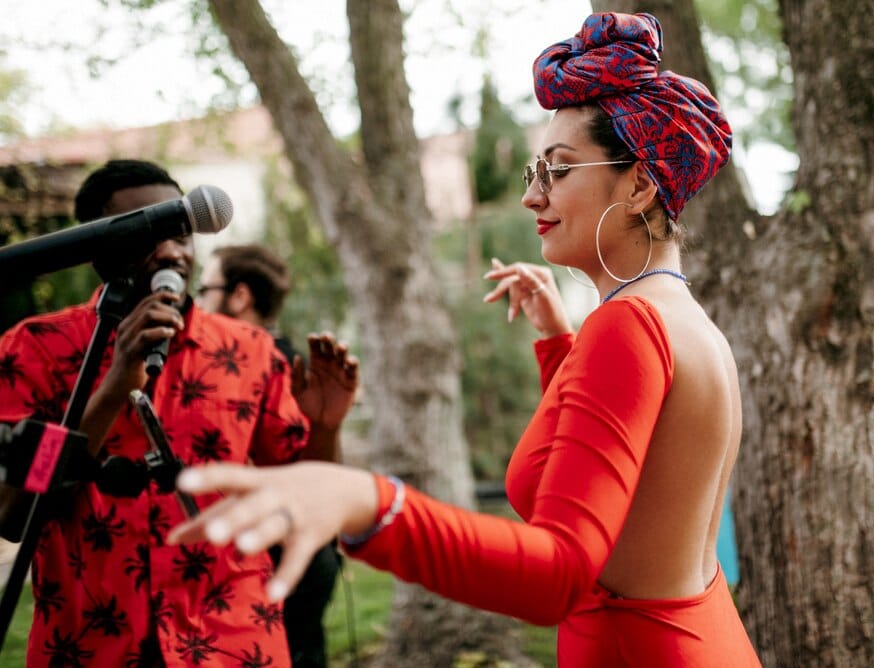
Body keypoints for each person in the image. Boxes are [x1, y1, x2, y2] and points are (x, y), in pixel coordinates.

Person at [169, 13, 761, 666]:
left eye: (560, 171)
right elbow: (635, 482)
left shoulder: (628, 326)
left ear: (641, 183)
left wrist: (370, 503)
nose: (533, 196)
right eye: (536, 171)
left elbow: (559, 574)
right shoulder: (683, 320)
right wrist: (559, 346)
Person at [0, 159, 356, 666]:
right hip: (91, 643)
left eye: (182, 233)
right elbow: (15, 513)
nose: (172, 251)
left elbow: (308, 502)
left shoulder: (252, 351)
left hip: (232, 641)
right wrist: (112, 387)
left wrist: (325, 427)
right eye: (150, 234)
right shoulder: (35, 347)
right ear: (99, 251)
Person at [197, 243, 355, 668]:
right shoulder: (290, 359)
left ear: (240, 296)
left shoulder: (266, 366)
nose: (198, 303)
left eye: (204, 289)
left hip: (282, 557)